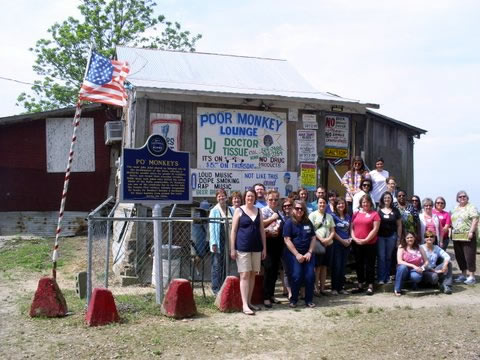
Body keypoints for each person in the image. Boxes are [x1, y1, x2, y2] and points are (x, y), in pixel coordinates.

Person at [230, 189, 267, 315]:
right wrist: (232, 248)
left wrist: (264, 248)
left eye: (252, 196)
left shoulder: (258, 211)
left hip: (256, 247)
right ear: (244, 198)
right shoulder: (238, 210)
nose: (250, 198)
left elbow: (262, 230)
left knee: (252, 274)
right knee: (244, 275)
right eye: (248, 196)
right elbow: (233, 231)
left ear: (255, 198)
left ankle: (249, 302)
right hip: (242, 248)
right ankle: (244, 304)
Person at [283, 200, 317, 308]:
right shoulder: (289, 223)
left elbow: (313, 237)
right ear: (293, 209)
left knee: (310, 276)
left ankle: (309, 300)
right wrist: (297, 254)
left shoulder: (307, 222)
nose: (299, 211)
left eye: (301, 209)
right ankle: (294, 300)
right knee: (296, 276)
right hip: (294, 254)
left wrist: (309, 252)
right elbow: (287, 240)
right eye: (297, 208)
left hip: (308, 254)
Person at [351, 194, 380, 295]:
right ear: (360, 204)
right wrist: (354, 238)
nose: (365, 204)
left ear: (370, 203)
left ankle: (370, 285)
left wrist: (366, 240)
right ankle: (360, 284)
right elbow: (351, 228)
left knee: (370, 265)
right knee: (359, 264)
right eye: (363, 202)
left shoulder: (375, 214)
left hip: (370, 243)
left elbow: (375, 229)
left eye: (367, 202)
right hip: (357, 243)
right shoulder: (356, 213)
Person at [451, 190, 479, 285]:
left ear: (467, 198)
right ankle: (463, 274)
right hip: (456, 236)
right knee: (460, 257)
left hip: (468, 235)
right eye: (460, 197)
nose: (462, 198)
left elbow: (475, 220)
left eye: (464, 196)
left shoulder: (471, 207)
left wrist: (471, 231)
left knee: (469, 256)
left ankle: (471, 276)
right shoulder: (455, 208)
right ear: (457, 199)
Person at [261, 190, 283, 308]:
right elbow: (261, 225)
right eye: (271, 199)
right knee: (268, 271)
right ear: (266, 200)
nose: (273, 201)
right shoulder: (263, 211)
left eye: (275, 199)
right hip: (267, 245)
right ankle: (265, 297)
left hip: (277, 245)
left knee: (275, 272)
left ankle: (271, 295)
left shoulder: (279, 211)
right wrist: (272, 219)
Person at [209, 189, 234, 295]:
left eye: (223, 196)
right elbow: (212, 228)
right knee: (216, 266)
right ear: (216, 198)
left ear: (226, 197)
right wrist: (214, 242)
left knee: (226, 265)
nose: (221, 198)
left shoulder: (231, 210)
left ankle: (224, 287)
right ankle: (216, 289)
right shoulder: (214, 210)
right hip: (219, 240)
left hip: (229, 240)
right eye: (219, 196)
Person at [309, 197, 335, 296]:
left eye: (324, 203)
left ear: (326, 204)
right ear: (317, 204)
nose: (322, 205)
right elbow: (312, 230)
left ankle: (322, 288)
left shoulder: (329, 216)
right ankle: (316, 288)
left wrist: (328, 239)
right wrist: (322, 239)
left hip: (329, 244)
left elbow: (333, 230)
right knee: (317, 267)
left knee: (324, 267)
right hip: (318, 244)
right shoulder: (313, 215)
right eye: (320, 203)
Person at [377, 191, 402, 284]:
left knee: (388, 257)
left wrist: (398, 238)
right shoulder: (378, 210)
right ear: (382, 199)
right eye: (385, 198)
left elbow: (399, 225)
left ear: (391, 199)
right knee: (381, 257)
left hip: (392, 236)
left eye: (389, 198)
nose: (387, 199)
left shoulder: (395, 210)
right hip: (380, 237)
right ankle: (380, 278)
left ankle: (387, 277)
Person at [330, 197, 352, 295]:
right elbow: (333, 232)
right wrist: (342, 241)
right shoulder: (333, 216)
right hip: (337, 244)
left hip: (347, 244)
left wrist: (350, 239)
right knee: (336, 266)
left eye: (342, 203)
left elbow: (350, 229)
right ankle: (334, 288)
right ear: (335, 206)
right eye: (338, 204)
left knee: (343, 266)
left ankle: (341, 287)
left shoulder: (348, 216)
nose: (341, 205)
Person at [279, 198, 294, 299]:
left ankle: (297, 290)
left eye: (289, 205)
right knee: (286, 270)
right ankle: (289, 292)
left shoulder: (297, 217)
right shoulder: (280, 218)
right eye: (285, 206)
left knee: (296, 270)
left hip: (297, 247)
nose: (287, 207)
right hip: (284, 248)